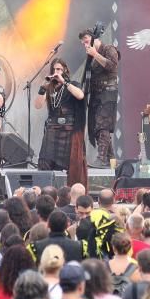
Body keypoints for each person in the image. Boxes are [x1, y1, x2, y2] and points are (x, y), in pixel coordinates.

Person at [36, 57, 88, 188]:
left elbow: (80, 95)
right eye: (54, 69)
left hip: (68, 128)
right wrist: (43, 88)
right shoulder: (50, 87)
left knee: (70, 163)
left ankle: (69, 191)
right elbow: (37, 105)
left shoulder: (72, 84)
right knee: (46, 160)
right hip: (52, 129)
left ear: (65, 69)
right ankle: (47, 191)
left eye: (59, 69)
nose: (56, 71)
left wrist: (64, 82)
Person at [78, 27, 121, 167]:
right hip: (96, 94)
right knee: (96, 127)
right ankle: (111, 159)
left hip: (108, 92)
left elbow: (112, 66)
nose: (85, 45)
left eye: (86, 41)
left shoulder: (109, 49)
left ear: (94, 38)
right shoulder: (90, 58)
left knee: (103, 125)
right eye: (83, 43)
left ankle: (101, 158)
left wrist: (95, 54)